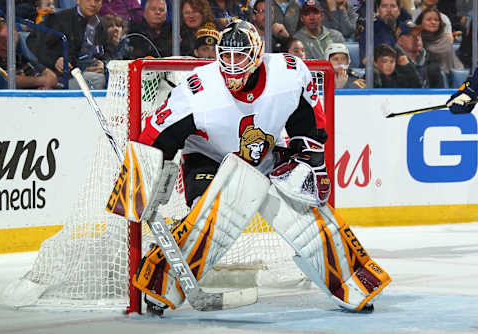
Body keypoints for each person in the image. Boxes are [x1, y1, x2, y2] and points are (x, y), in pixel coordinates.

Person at [130, 19, 390, 316]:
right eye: (225, 55)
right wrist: (140, 180)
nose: (231, 64)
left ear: (257, 54)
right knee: (213, 216)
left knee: (305, 213)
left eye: (239, 55)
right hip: (210, 160)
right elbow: (155, 137)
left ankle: (351, 282)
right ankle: (159, 284)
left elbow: (307, 120)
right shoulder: (198, 90)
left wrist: (311, 163)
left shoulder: (288, 73)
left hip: (265, 155)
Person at [35, 0, 109, 89]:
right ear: (78, 1)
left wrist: (102, 64)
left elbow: (107, 53)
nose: (93, 4)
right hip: (65, 77)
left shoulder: (101, 24)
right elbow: (36, 44)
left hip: (91, 72)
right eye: (88, 0)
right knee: (98, 80)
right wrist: (55, 61)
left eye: (97, 1)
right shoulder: (58, 19)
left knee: (114, 77)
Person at [0, 18, 57, 89]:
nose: (7, 45)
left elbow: (52, 78)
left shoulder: (20, 58)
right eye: (2, 39)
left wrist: (42, 86)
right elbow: (7, 81)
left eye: (12, 41)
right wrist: (41, 81)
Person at [358, 0, 411, 65]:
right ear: (378, 10)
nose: (389, 10)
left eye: (393, 6)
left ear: (399, 11)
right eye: (384, 6)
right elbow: (365, 60)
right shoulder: (370, 29)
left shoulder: (406, 29)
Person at [395, 20, 444, 88]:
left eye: (418, 34)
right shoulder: (393, 62)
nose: (417, 38)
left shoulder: (432, 60)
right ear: (400, 40)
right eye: (411, 35)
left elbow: (440, 91)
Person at [415, 7, 463, 75]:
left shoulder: (444, 40)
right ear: (421, 22)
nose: (433, 22)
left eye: (436, 20)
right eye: (429, 20)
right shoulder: (415, 39)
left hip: (449, 77)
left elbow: (454, 66)